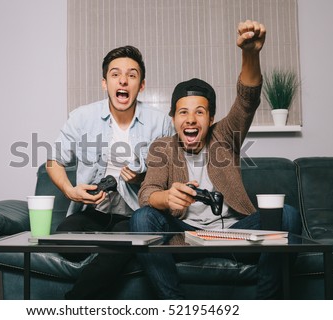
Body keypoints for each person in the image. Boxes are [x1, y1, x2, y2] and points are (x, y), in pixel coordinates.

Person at [130, 20, 302, 299]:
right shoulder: (162, 147)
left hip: (235, 235)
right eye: (183, 112)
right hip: (184, 238)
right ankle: (175, 307)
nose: (191, 119)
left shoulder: (225, 136)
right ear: (173, 118)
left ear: (211, 119)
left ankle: (267, 307)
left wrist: (250, 53)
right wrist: (166, 198)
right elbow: (147, 193)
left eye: (200, 112)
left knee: (288, 215)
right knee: (141, 219)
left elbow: (247, 100)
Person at [46, 45, 173, 299]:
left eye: (132, 75)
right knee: (64, 239)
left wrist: (143, 179)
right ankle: (115, 248)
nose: (123, 80)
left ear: (142, 85)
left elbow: (171, 178)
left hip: (135, 216)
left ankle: (73, 303)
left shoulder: (161, 123)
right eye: (115, 74)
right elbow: (53, 161)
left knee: (127, 240)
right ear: (105, 83)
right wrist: (70, 191)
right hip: (93, 213)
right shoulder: (82, 117)